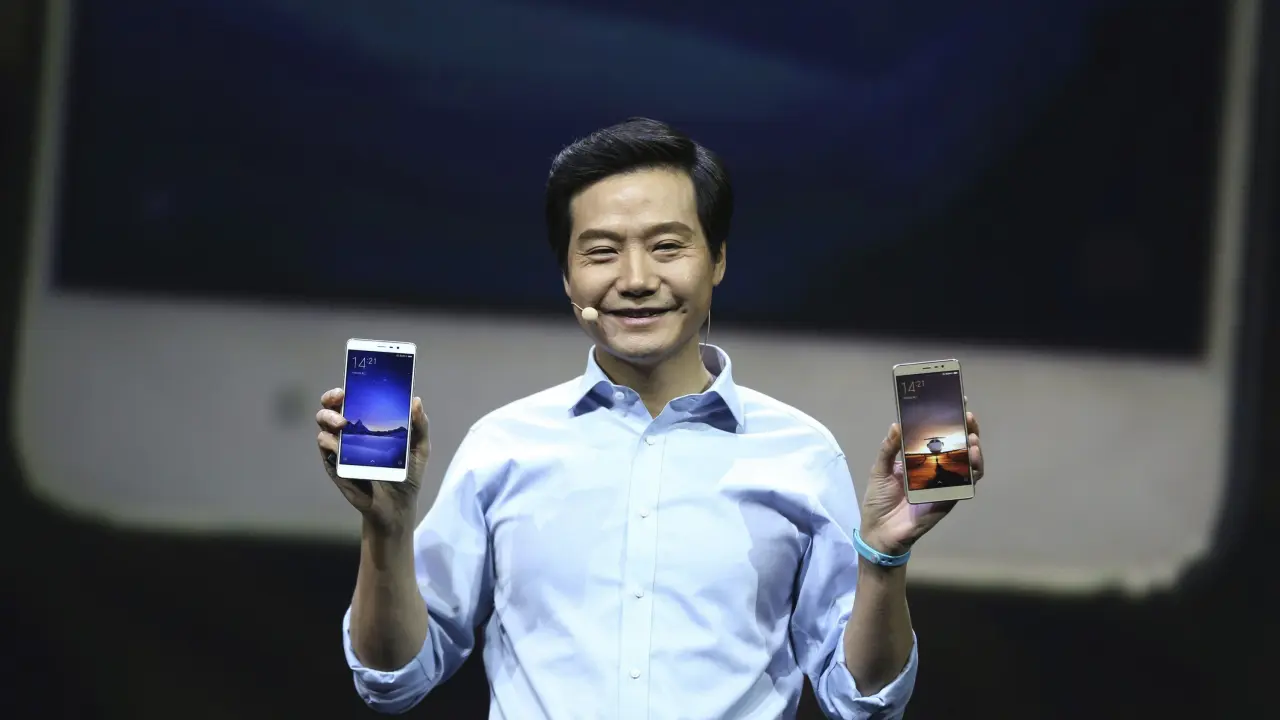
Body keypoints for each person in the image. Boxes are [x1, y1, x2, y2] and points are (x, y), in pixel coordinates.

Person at [315, 117, 985, 719]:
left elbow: (862, 701)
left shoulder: (801, 454)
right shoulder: (502, 446)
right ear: (567, 277)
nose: (635, 279)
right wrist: (386, 530)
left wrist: (883, 558)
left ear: (717, 260)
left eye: (667, 247)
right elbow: (393, 679)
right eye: (601, 252)